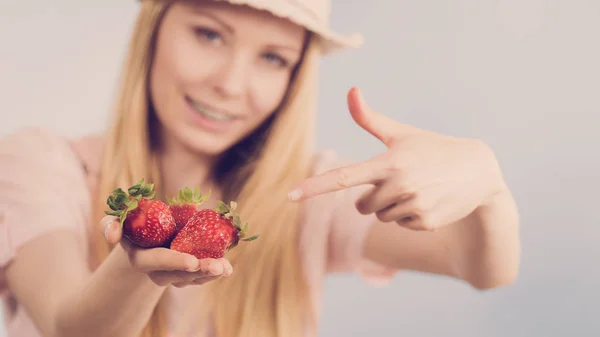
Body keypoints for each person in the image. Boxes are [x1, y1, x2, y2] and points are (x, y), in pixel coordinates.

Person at [0, 0, 521, 336]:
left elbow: (482, 268)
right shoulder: (41, 165)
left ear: (295, 79)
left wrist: (487, 185)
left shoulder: (307, 197)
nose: (229, 83)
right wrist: (135, 265)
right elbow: (70, 327)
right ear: (155, 26)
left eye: (272, 58)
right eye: (209, 34)